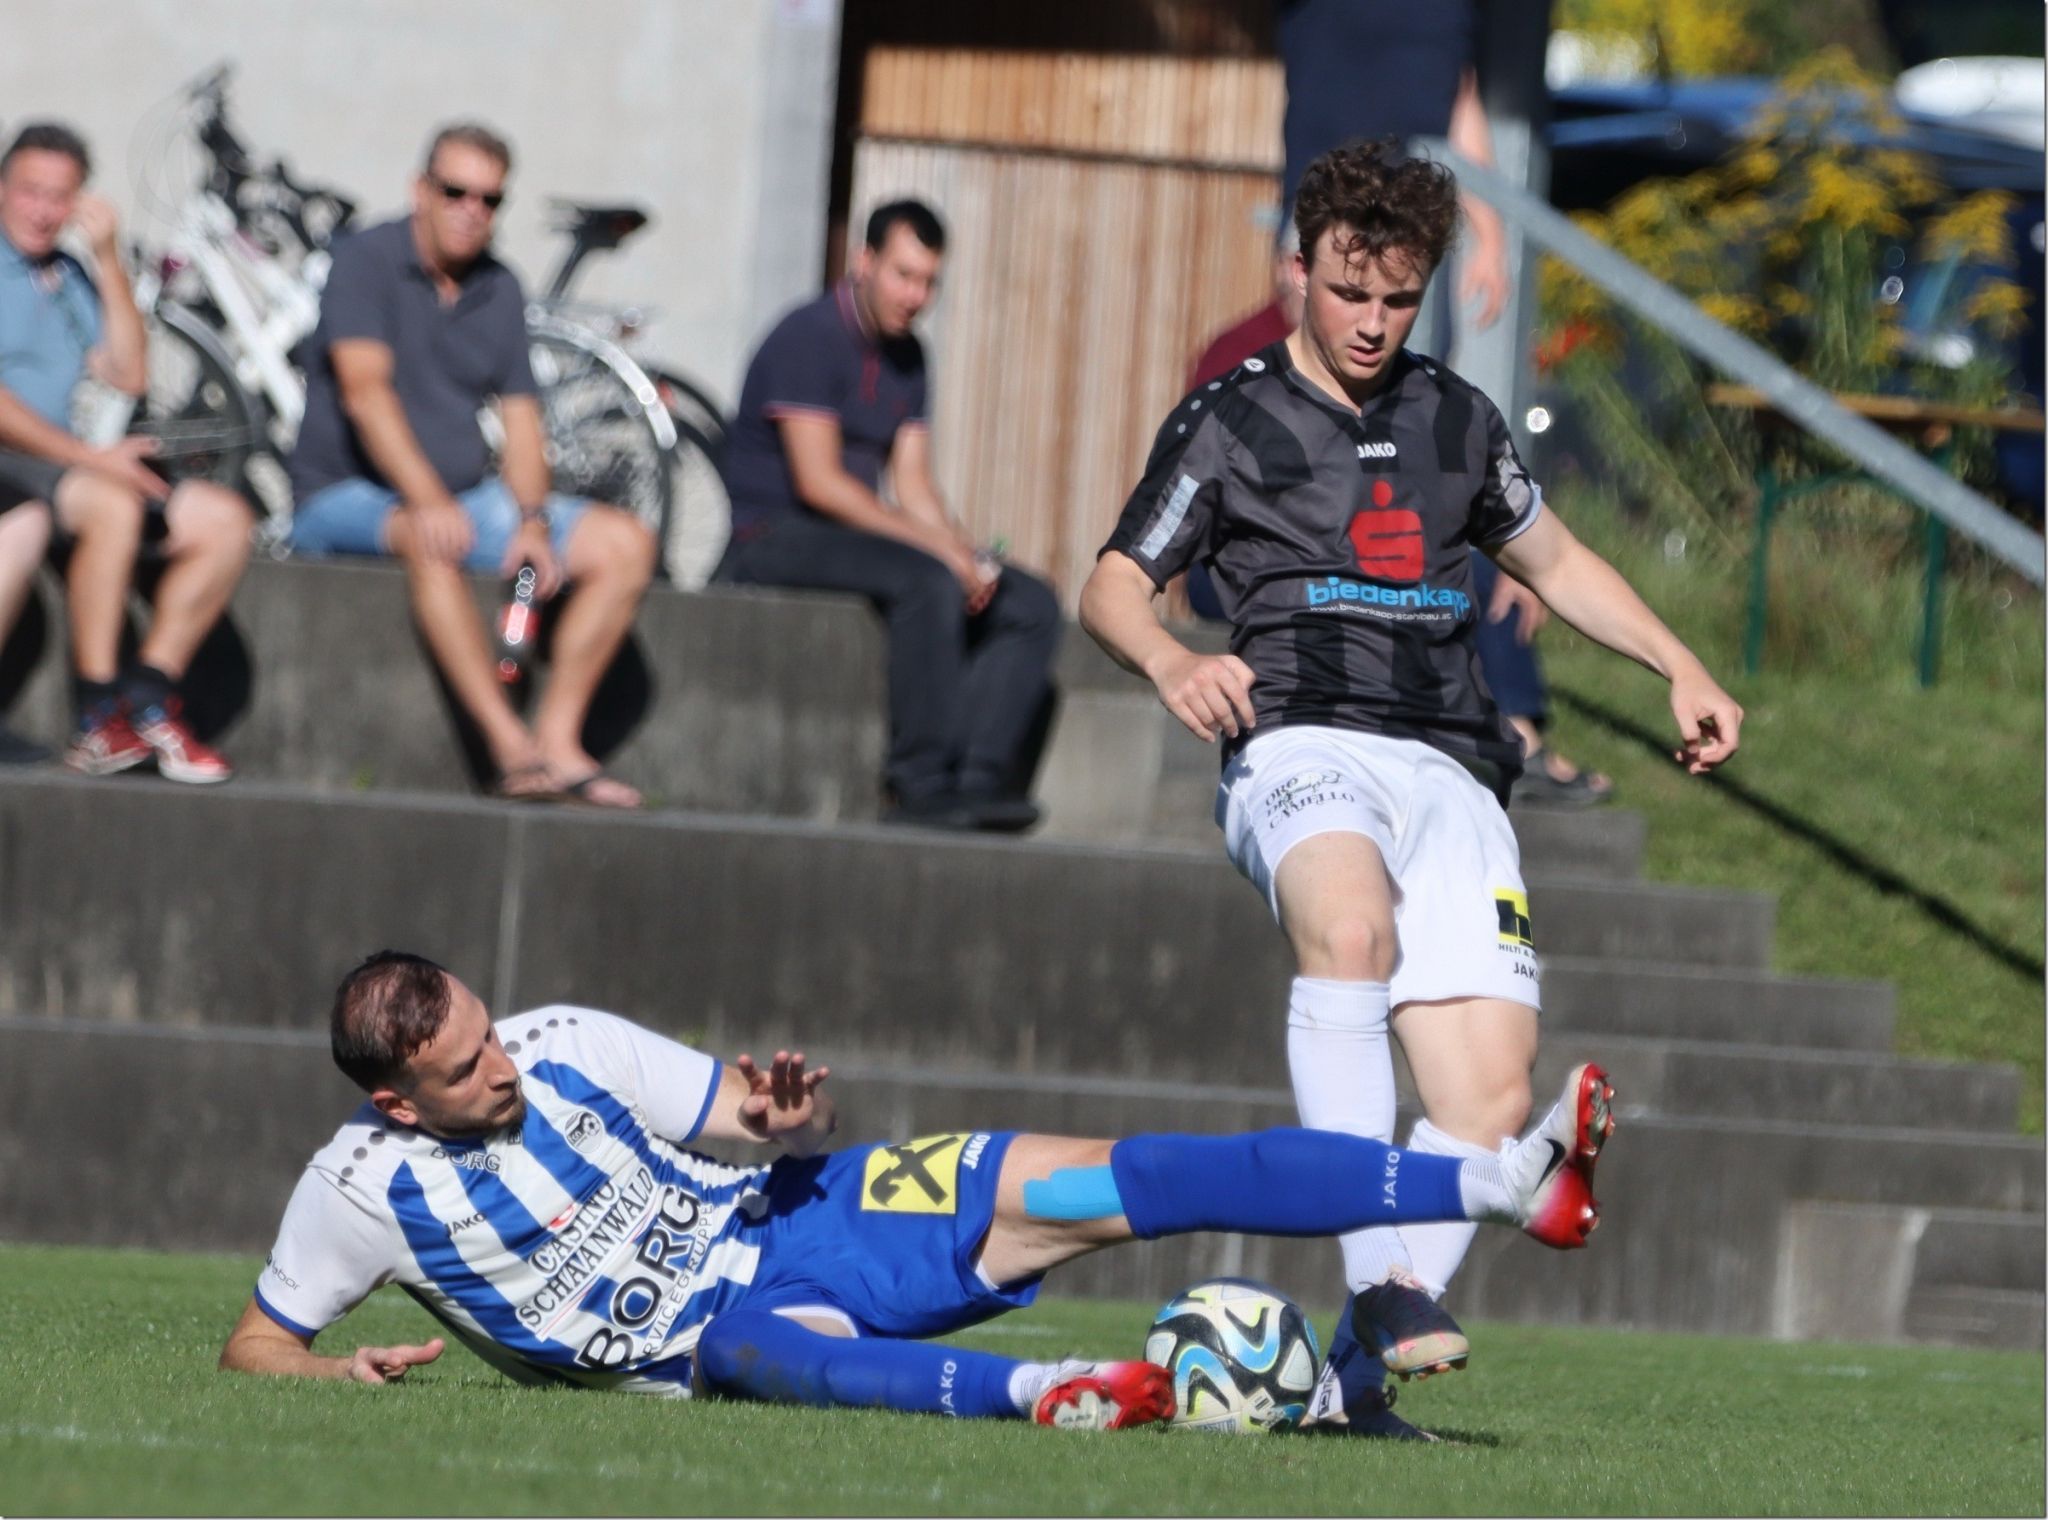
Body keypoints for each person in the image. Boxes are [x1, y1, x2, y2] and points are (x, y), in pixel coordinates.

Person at [1079, 141, 1742, 1439]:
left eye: (1398, 297)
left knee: (1490, 1102)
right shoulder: (1229, 416)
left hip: (1452, 760)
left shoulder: (1457, 419)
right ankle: (1384, 1283)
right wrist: (1168, 657)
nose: (1374, 322)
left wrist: (1678, 660)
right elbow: (1112, 581)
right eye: (1350, 292)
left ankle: (1349, 1389)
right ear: (1300, 272)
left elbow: (1554, 556)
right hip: (1304, 745)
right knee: (1351, 931)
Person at [216, 950, 1615, 1426]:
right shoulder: (356, 1191)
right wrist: (330, 1383)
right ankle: (1054, 1392)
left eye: (488, 1030)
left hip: (810, 1218)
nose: (502, 1067)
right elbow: (259, 1341)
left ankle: (1502, 1185)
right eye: (465, 1071)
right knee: (747, 1356)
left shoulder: (565, 1046)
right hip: (727, 1333)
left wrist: (778, 1113)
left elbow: (740, 1115)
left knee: (1117, 1178)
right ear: (394, 1100)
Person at [287, 124, 656, 808]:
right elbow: (366, 394)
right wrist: (427, 501)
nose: (471, 210)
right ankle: (507, 747)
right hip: (344, 495)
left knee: (626, 544)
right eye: (455, 191)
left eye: (490, 199)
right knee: (433, 541)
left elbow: (521, 417)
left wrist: (534, 522)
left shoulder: (500, 288)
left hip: (462, 496)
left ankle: (557, 740)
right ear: (420, 190)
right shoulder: (366, 259)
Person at [715, 201, 1061, 833]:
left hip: (852, 536)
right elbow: (821, 485)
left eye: (929, 281)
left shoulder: (910, 357)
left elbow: (914, 482)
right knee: (926, 580)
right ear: (864, 261)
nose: (917, 295)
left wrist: (968, 554)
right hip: (773, 535)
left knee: (1030, 603)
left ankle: (975, 782)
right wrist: (941, 557)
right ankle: (918, 783)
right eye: (904, 275)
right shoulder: (808, 335)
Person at [0, 122, 253, 782]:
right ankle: (95, 714)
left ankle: (145, 697)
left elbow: (132, 372)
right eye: (29, 191)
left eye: (60, 196)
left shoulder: (72, 274)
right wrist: (91, 460)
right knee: (113, 499)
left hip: (76, 466)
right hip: (20, 466)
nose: (44, 210)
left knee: (225, 520)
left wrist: (109, 259)